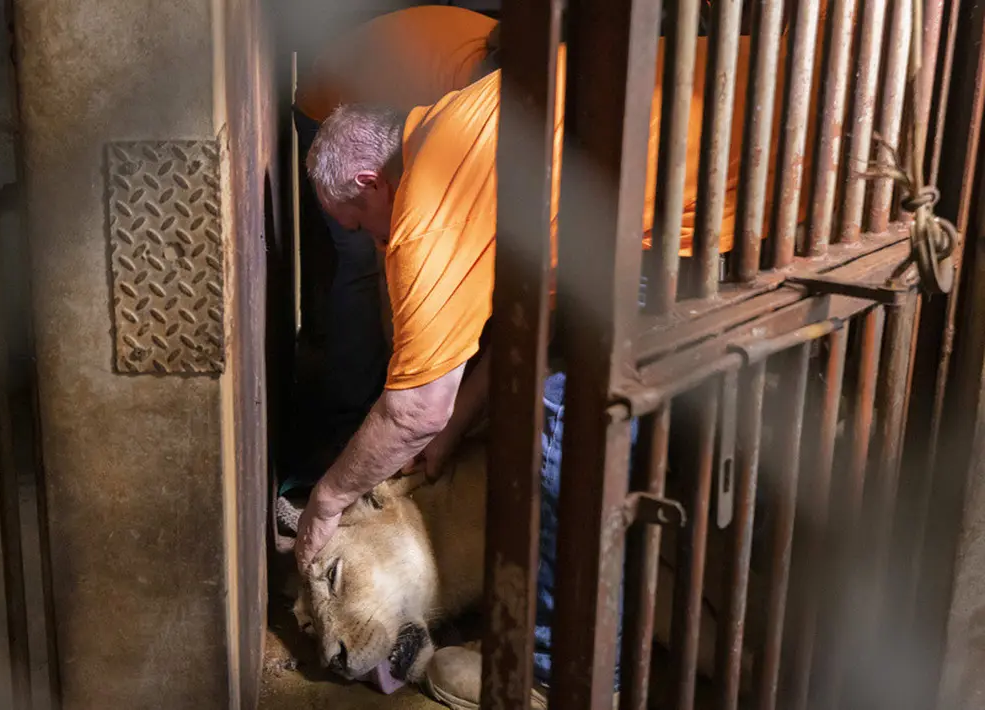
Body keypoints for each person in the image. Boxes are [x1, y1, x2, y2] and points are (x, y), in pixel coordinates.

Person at [294, 23, 811, 709]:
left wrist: (325, 500)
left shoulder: (425, 208)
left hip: (729, 213)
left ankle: (549, 671)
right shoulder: (461, 120)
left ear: (369, 180)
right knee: (576, 384)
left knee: (565, 429)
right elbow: (532, 323)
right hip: (783, 157)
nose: (367, 239)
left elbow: (414, 405)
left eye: (358, 221)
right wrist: (453, 431)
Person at [283, 5, 501, 497]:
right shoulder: (455, 129)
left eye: (362, 218)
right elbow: (399, 267)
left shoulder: (473, 124)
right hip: (333, 112)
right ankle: (346, 434)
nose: (373, 234)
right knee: (367, 265)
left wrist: (431, 399)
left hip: (401, 119)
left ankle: (402, 412)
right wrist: (404, 397)